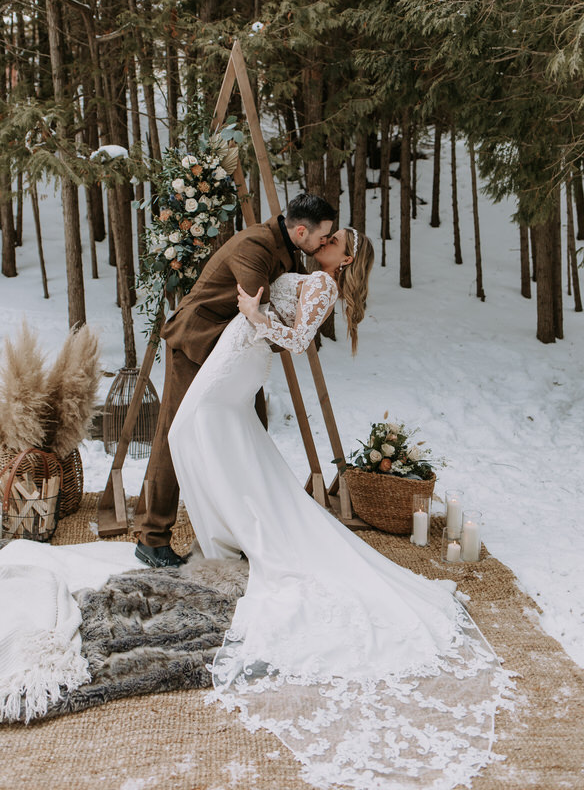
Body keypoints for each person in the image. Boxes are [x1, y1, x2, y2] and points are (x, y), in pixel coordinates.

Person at [167, 227, 510, 790]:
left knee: (193, 428)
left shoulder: (324, 286)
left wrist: (255, 315)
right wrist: (253, 315)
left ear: (344, 258)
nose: (327, 238)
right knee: (199, 433)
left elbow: (298, 341)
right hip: (239, 348)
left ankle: (240, 533)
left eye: (337, 239)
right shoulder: (306, 268)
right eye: (329, 232)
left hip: (245, 349)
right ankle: (232, 531)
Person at [135, 192, 336, 567]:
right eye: (323, 237)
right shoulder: (256, 245)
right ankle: (152, 537)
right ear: (302, 230)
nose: (324, 243)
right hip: (197, 342)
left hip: (236, 353)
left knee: (250, 432)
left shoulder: (292, 249)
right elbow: (256, 311)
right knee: (174, 432)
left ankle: (245, 529)